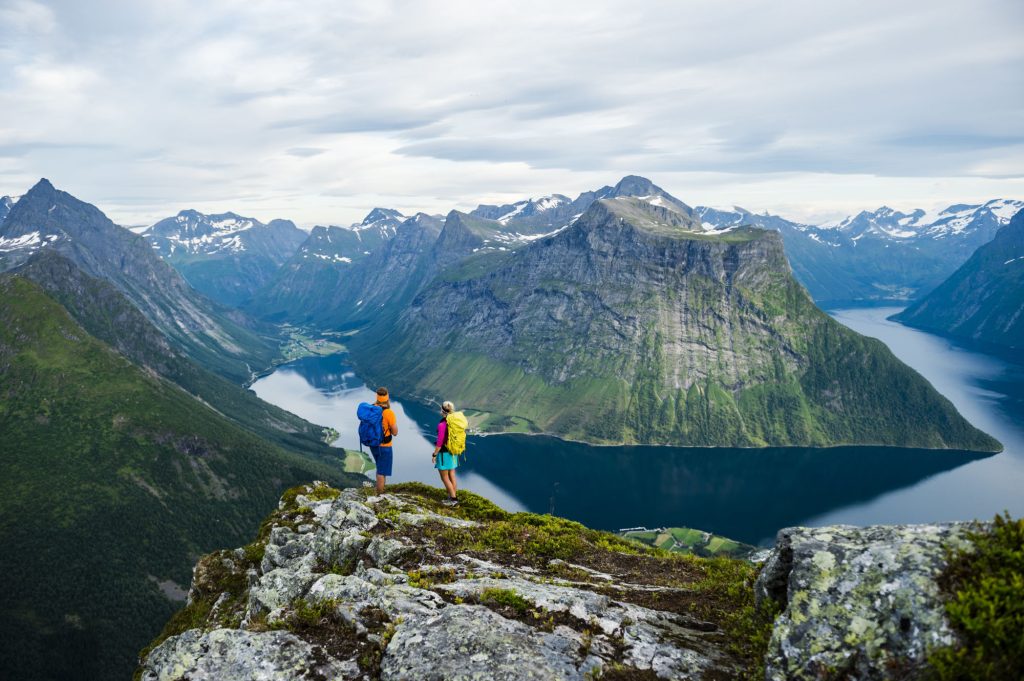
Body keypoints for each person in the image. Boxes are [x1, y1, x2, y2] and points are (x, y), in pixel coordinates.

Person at [369, 387, 397, 494]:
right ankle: (379, 495)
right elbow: (395, 432)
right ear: (387, 398)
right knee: (381, 471)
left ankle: (380, 491)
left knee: (380, 467)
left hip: (373, 444)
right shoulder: (388, 413)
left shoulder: (372, 408)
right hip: (385, 446)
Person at [433, 401, 459, 506]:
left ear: (442, 411)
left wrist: (434, 454)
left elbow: (440, 442)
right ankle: (452, 496)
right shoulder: (453, 422)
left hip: (444, 453)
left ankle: (453, 500)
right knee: (452, 474)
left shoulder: (442, 424)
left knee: (444, 477)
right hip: (453, 452)